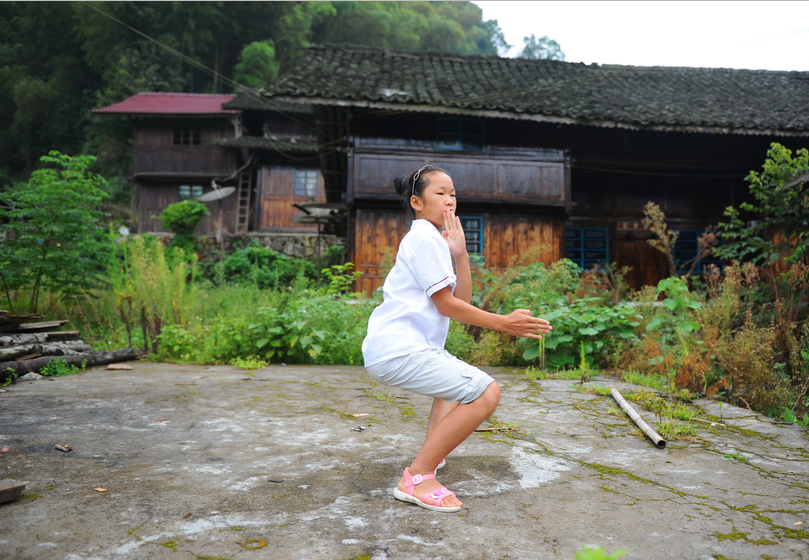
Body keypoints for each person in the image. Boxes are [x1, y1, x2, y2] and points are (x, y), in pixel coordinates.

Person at [362, 164, 552, 512]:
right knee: (485, 392)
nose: (450, 200)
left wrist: (461, 254)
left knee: (455, 388)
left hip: (399, 348)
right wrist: (503, 323)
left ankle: (430, 460)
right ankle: (417, 477)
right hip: (398, 348)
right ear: (417, 203)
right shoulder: (422, 237)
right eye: (440, 193)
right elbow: (446, 305)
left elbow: (459, 301)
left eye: (453, 194)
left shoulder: (433, 240)